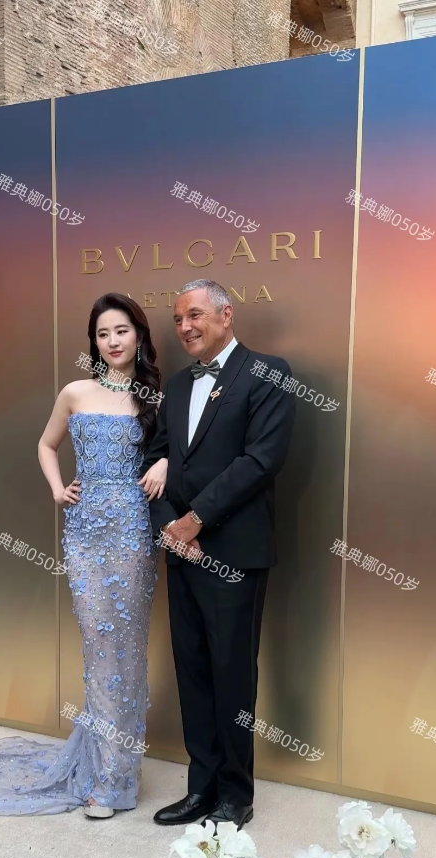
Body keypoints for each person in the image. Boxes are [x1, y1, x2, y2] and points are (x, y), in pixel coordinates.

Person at [0, 293, 167, 818]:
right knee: (99, 648)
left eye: (121, 331)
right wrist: (57, 489)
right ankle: (104, 775)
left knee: (126, 651)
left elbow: (181, 451)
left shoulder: (155, 398)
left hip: (133, 532)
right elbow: (46, 444)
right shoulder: (75, 391)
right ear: (93, 342)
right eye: (102, 334)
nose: (113, 341)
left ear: (139, 336)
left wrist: (163, 461)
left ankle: (118, 776)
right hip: (85, 532)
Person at [143, 279, 295, 829]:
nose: (185, 327)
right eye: (178, 319)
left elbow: (260, 461)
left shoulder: (269, 373)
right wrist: (170, 527)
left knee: (233, 677)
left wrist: (195, 520)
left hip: (233, 554)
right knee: (193, 673)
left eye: (195, 315)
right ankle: (201, 788)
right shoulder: (178, 386)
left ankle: (236, 795)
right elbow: (156, 460)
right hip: (181, 553)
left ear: (226, 315)